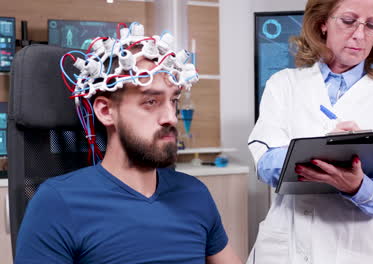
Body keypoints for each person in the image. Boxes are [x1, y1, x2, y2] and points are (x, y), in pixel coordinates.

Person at [14, 23, 242, 264]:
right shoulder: (57, 204)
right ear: (105, 111)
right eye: (151, 102)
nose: (171, 118)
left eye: (173, 101)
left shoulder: (195, 193)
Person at [247, 0, 373, 263]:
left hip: (359, 253)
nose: (359, 34)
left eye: (371, 25)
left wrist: (359, 187)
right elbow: (265, 164)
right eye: (348, 21)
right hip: (284, 250)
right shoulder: (284, 84)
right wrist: (321, 149)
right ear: (322, 22)